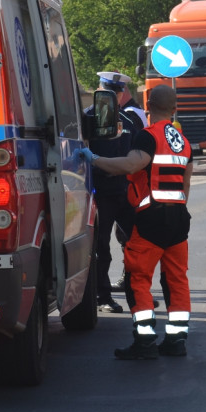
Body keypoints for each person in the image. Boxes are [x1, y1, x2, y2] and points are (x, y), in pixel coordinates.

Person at [79, 85, 193, 360]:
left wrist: (94, 159)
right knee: (177, 280)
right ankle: (176, 340)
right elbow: (186, 185)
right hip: (179, 219)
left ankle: (145, 342)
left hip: (152, 219)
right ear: (175, 108)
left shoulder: (148, 136)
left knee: (137, 279)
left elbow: (131, 165)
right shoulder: (184, 141)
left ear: (148, 105)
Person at [86, 71, 144, 313]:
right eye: (111, 92)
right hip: (99, 193)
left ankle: (136, 292)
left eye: (119, 93)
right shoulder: (87, 119)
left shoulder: (128, 122)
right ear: (101, 92)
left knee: (138, 242)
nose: (116, 97)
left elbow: (136, 157)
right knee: (101, 248)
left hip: (123, 190)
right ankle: (103, 297)